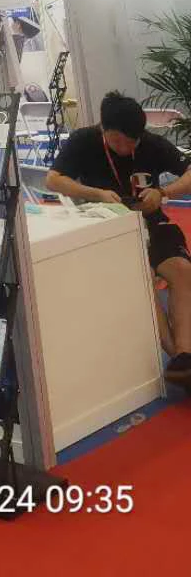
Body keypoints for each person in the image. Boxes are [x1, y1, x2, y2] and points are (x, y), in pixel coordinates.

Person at [47, 91, 191, 388]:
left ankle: (185, 356)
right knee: (142, 280)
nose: (125, 149)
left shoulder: (151, 144)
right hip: (107, 228)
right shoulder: (83, 141)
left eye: (131, 143)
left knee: (183, 271)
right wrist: (96, 194)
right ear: (103, 129)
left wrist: (163, 193)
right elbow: (54, 180)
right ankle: (179, 359)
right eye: (117, 141)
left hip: (151, 221)